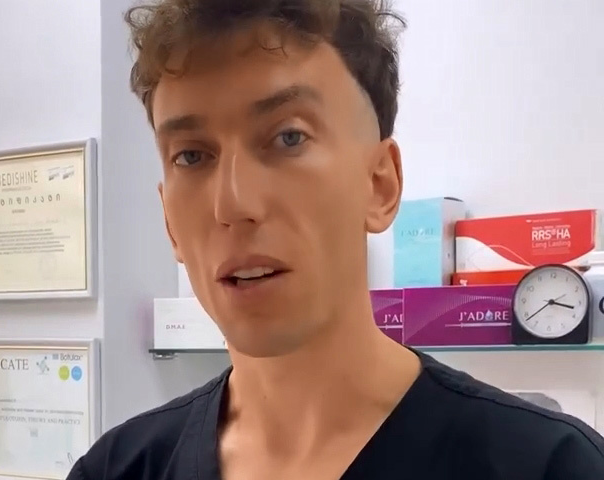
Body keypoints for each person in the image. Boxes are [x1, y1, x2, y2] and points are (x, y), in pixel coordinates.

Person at [67, 1, 604, 478]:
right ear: (168, 221)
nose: (232, 205)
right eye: (191, 155)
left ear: (380, 184)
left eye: (288, 137)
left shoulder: (550, 465)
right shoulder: (117, 468)